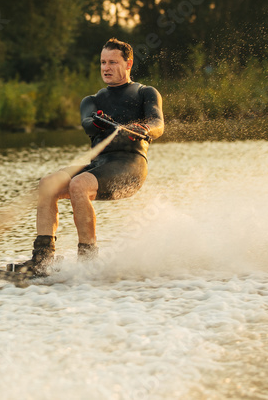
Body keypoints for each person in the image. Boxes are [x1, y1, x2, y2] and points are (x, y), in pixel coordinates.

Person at [14, 38, 164, 277]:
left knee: (79, 184)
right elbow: (88, 124)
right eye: (103, 62)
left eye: (113, 62)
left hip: (130, 166)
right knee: (47, 184)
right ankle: (43, 258)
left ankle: (88, 260)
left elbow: (157, 124)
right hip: (100, 164)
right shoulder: (92, 101)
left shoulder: (146, 93)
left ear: (128, 64)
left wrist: (144, 130)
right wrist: (97, 120)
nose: (106, 67)